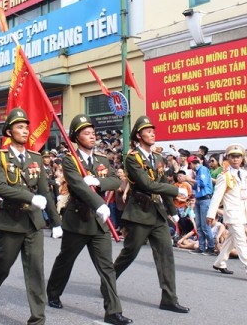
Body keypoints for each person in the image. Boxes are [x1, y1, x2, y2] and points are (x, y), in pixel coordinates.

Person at [47, 114, 132, 325]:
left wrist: (99, 182)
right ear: (76, 137)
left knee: (106, 268)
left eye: (93, 133)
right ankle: (53, 292)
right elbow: (76, 185)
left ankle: (113, 311)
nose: (92, 136)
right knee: (65, 260)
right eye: (86, 133)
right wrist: (99, 203)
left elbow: (115, 181)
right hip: (78, 220)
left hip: (99, 223)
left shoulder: (102, 159)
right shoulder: (70, 160)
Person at [0, 108, 62, 324]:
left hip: (34, 222)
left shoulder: (35, 157)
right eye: (20, 127)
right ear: (9, 131)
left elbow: (45, 193)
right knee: (3, 265)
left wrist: (56, 222)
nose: (25, 131)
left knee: (36, 269)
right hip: (11, 220)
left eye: (27, 127)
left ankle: (37, 318)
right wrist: (28, 196)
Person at [113, 115, 190, 313]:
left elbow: (162, 183)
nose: (152, 133)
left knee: (166, 254)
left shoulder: (157, 157)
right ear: (138, 135)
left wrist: (172, 211)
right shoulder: (132, 158)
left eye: (153, 130)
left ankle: (169, 299)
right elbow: (146, 184)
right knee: (129, 253)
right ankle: (108, 281)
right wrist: (175, 191)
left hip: (157, 213)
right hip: (139, 212)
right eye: (148, 131)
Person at [206, 143, 247, 283]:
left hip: (243, 212)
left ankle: (219, 262)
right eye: (232, 157)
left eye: (238, 157)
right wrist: (211, 214)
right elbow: (217, 197)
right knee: (241, 242)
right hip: (232, 213)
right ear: (228, 158)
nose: (235, 159)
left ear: (242, 159)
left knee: (231, 240)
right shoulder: (225, 176)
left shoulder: (246, 174)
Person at [187, 155, 215, 255]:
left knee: (205, 225)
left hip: (205, 199)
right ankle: (202, 247)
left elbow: (202, 183)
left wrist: (189, 179)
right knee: (199, 225)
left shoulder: (202, 169)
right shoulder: (197, 172)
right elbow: (196, 186)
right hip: (199, 199)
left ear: (192, 163)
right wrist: (188, 181)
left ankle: (211, 247)